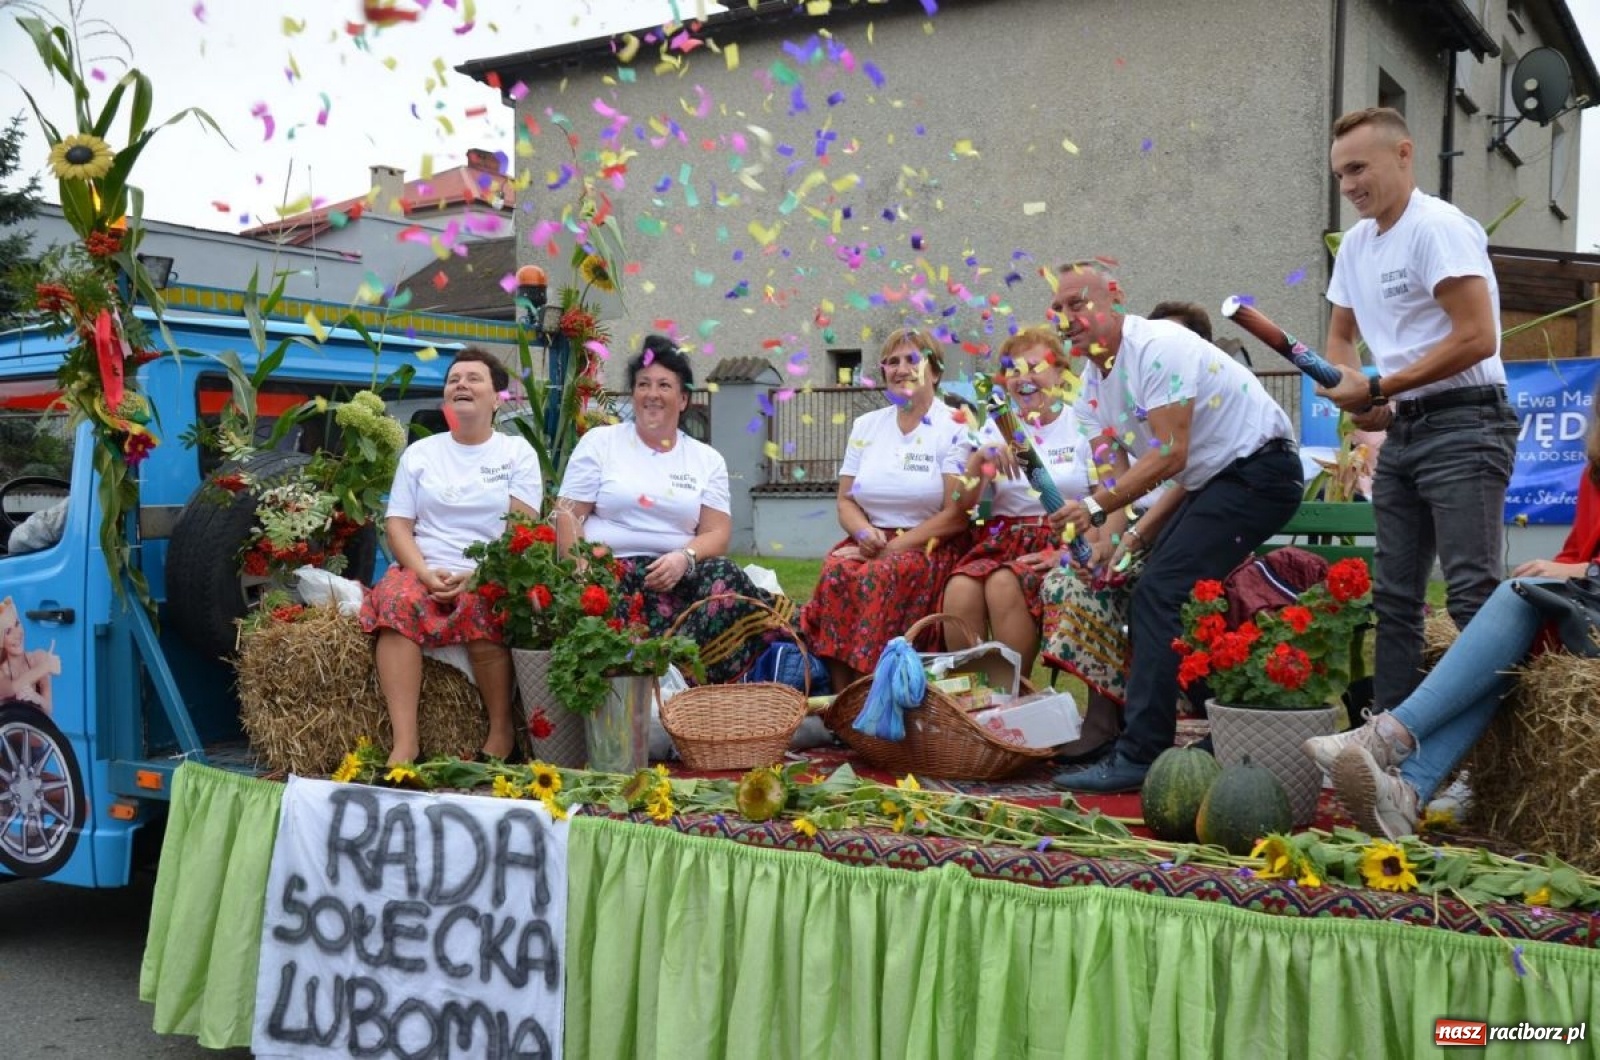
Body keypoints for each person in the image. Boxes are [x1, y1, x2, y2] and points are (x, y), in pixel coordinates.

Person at [1047, 261, 1304, 793]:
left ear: (1114, 298)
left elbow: (1168, 454)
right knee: (1158, 589)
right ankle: (1232, 726)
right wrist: (1111, 542)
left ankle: (1142, 754)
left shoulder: (1158, 346)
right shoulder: (1090, 388)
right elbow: (1121, 477)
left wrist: (1095, 508)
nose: (1066, 317)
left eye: (1078, 303)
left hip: (1260, 471)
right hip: (1218, 480)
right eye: (1058, 309)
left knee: (1161, 591)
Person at [1303, 396, 1600, 838]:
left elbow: (1580, 564)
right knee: (1505, 639)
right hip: (1588, 607)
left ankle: (1388, 738)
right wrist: (1563, 572)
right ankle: (1408, 792)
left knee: (1511, 600)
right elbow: (1576, 553)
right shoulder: (1593, 472)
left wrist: (1581, 571)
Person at [1319, 106, 1518, 712]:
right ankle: (1393, 742)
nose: (1350, 185)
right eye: (1340, 175)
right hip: (1406, 428)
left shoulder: (1439, 228)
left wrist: (1381, 388)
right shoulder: (1355, 244)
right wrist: (1358, 392)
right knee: (1396, 598)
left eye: (1359, 168)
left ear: (1404, 154)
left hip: (1468, 422)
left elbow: (1478, 337)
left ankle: (1490, 757)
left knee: (1471, 595)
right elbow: (1340, 336)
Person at [555, 335, 786, 685]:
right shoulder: (601, 443)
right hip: (611, 569)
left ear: (683, 399)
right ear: (633, 394)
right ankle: (660, 673)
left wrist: (685, 557)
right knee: (603, 598)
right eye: (643, 384)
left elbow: (717, 533)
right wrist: (582, 570)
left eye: (664, 385)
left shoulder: (705, 459)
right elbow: (568, 514)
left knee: (725, 577)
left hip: (678, 575)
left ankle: (673, 673)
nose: (652, 394)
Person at [361, 347, 541, 766]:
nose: (461, 384)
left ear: (498, 398)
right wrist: (422, 573)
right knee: (396, 602)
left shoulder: (517, 454)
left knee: (484, 604)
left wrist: (478, 574)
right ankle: (405, 743)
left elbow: (522, 529)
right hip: (425, 563)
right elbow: (399, 525)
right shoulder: (421, 453)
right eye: (454, 378)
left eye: (474, 378)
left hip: (490, 565)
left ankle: (501, 733)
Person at [800, 327, 976, 692]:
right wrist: (864, 534)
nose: (900, 369)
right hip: (870, 539)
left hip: (927, 546)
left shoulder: (954, 426)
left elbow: (955, 515)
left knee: (879, 576)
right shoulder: (867, 425)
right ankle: (841, 701)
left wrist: (891, 548)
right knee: (836, 571)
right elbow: (846, 499)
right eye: (891, 362)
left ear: (936, 371)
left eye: (912, 359)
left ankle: (875, 697)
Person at [941, 327, 1098, 676]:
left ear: (1060, 372)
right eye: (1013, 370)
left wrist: (1073, 550)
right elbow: (959, 505)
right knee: (959, 588)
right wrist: (980, 456)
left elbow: (1104, 504)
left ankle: (1011, 695)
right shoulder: (998, 427)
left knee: (1002, 583)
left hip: (1064, 537)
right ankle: (973, 700)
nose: (1022, 378)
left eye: (1034, 367)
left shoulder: (1082, 425)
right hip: (1003, 538)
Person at [0, 596, 59, 714]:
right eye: (8, 632)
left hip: (35, 729)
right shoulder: (3, 672)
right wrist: (45, 667)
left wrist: (36, 698)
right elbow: (9, 689)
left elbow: (49, 710)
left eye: (17, 624)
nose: (17, 634)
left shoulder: (38, 658)